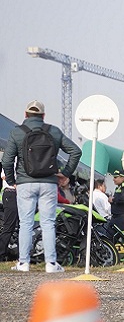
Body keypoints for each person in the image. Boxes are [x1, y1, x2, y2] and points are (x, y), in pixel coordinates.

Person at [2, 100, 82, 272]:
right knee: (48, 223)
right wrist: (66, 173)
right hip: (48, 183)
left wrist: (11, 181)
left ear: (25, 115)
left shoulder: (17, 132)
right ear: (43, 116)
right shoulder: (52, 131)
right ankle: (51, 264)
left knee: (25, 223)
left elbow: (7, 160)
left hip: (25, 183)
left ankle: (23, 263)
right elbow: (76, 151)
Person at [109, 170, 124, 235]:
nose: (113, 179)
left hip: (122, 218)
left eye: (115, 177)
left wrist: (113, 200)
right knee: (109, 236)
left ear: (122, 177)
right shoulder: (119, 187)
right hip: (115, 217)